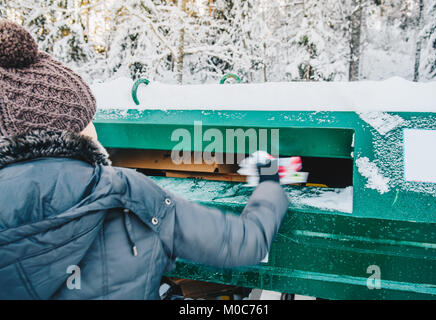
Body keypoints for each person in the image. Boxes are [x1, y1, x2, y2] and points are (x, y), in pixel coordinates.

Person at [0, 20, 289, 300]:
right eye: (89, 118)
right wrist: (270, 185)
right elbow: (245, 242)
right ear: (78, 130)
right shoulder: (127, 194)